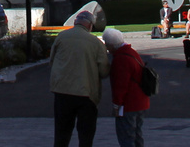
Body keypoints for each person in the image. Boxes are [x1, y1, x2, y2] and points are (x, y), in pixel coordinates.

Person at [49, 9, 110, 147]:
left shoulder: (61, 37)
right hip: (86, 94)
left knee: (61, 134)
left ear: (75, 22)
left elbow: (52, 61)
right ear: (90, 25)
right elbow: (104, 71)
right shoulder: (96, 43)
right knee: (86, 135)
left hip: (62, 91)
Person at [104, 27, 150, 147]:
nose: (107, 49)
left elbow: (120, 86)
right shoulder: (131, 52)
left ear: (112, 45)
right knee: (137, 135)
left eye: (107, 45)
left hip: (128, 105)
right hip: (141, 102)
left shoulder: (120, 59)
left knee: (126, 137)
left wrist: (116, 106)